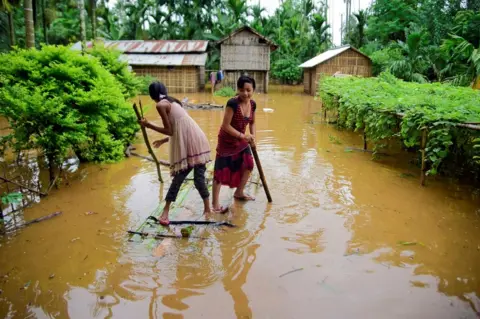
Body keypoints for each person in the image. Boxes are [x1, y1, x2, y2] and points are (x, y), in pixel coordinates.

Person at [139, 82, 223, 225]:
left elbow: (171, 130)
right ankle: (204, 209)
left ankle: (200, 210)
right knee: (193, 179)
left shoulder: (160, 105)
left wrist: (148, 125)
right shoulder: (172, 102)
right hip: (197, 141)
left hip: (192, 145)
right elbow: (179, 128)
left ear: (151, 95)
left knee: (186, 179)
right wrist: (164, 141)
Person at [212, 75, 257, 212]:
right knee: (220, 172)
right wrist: (243, 136)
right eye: (242, 90)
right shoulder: (233, 103)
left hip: (241, 141)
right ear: (238, 89)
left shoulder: (253, 104)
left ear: (253, 90)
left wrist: (253, 136)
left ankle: (239, 192)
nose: (245, 93)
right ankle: (214, 204)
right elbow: (225, 126)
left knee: (249, 164)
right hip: (226, 141)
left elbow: (252, 122)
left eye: (249, 90)